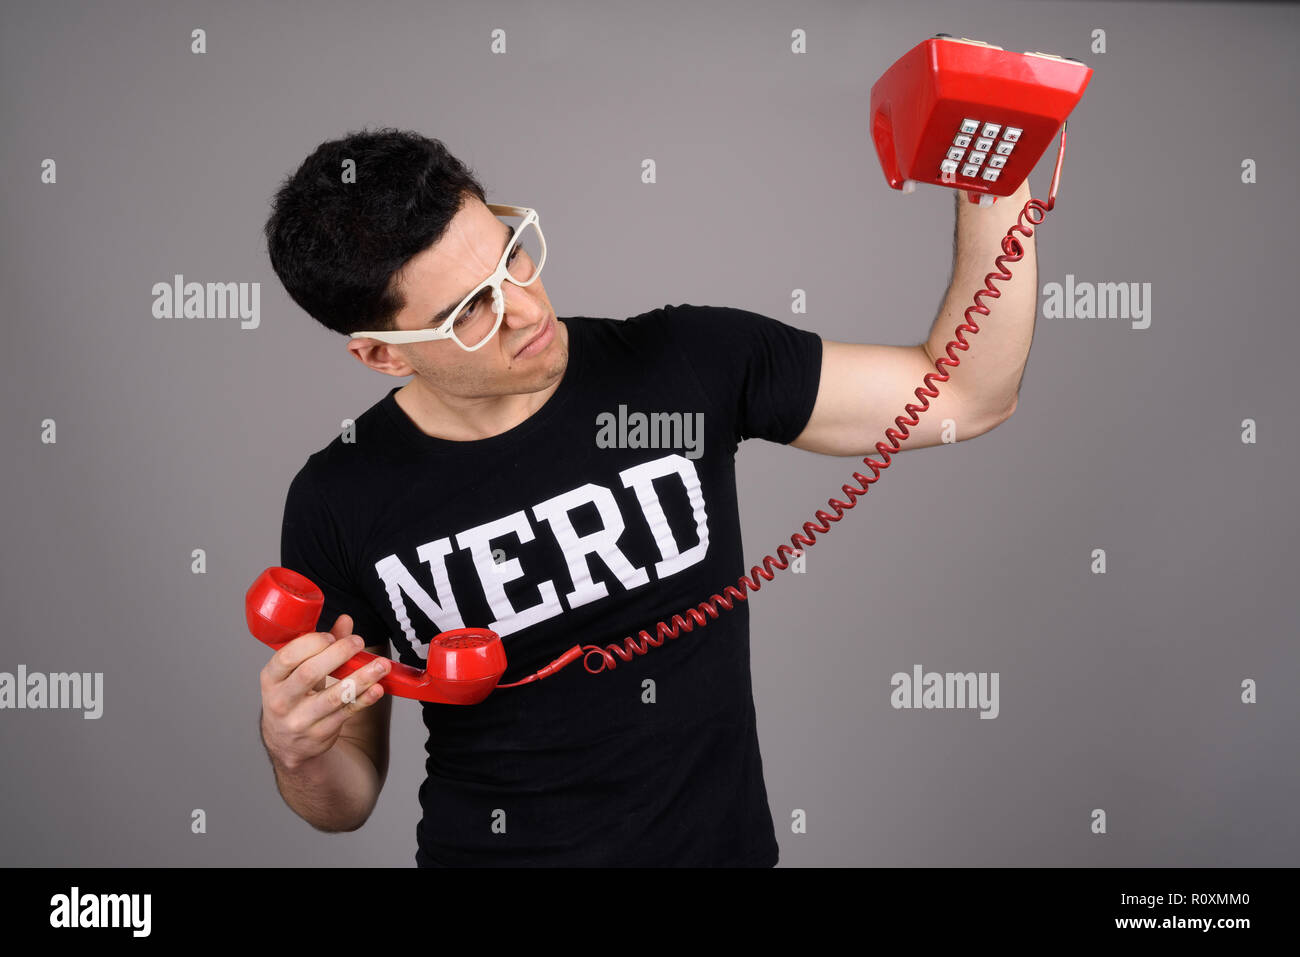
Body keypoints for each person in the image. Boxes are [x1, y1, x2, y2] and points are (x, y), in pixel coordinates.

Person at [257, 128, 1036, 867]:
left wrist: (995, 169)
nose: (526, 310)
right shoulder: (339, 496)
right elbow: (345, 800)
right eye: (470, 312)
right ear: (384, 354)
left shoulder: (682, 364)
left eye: (512, 261)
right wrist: (298, 749)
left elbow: (967, 392)